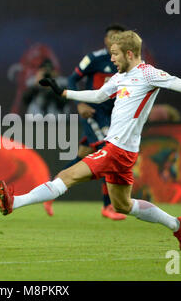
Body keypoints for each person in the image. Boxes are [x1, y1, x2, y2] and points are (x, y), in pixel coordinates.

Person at [0, 30, 181, 251]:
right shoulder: (120, 77)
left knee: (66, 177)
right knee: (122, 205)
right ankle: (177, 225)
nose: (112, 60)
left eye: (115, 55)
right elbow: (99, 95)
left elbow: (180, 85)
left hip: (117, 149)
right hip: (123, 151)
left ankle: (14, 202)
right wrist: (64, 93)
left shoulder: (148, 73)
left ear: (129, 54)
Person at [43, 23, 127, 220]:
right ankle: (108, 206)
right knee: (110, 152)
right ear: (105, 40)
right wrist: (80, 104)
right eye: (111, 36)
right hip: (94, 114)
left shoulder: (127, 62)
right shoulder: (94, 59)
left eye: (119, 37)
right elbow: (72, 80)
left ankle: (50, 191)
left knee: (82, 157)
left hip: (114, 117)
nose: (114, 40)